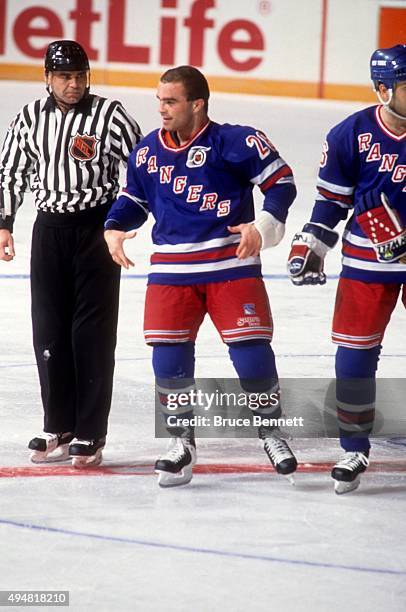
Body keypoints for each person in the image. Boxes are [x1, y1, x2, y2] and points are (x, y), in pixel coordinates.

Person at [104, 65, 298, 487]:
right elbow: (134, 198)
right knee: (169, 358)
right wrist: (114, 226)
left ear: (198, 104)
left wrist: (262, 227)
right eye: (159, 100)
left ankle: (271, 430)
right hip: (171, 272)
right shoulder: (145, 151)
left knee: (252, 352)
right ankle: (181, 442)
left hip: (231, 267)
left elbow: (282, 184)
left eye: (170, 101)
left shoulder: (235, 141)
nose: (162, 110)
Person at [0, 40, 142, 467]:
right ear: (47, 78)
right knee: (49, 330)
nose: (74, 84)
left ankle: (90, 433)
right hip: (49, 231)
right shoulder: (27, 119)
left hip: (95, 230)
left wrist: (124, 219)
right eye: (64, 76)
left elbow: (142, 165)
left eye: (80, 76)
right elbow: (11, 171)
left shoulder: (109, 115)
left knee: (91, 334)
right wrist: (4, 223)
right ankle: (57, 424)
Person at [287, 44, 406, 494]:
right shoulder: (350, 134)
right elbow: (332, 201)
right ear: (383, 90)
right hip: (365, 263)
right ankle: (354, 445)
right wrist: (312, 243)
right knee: (355, 356)